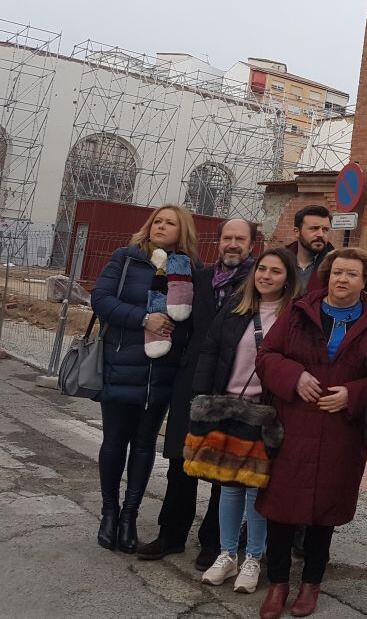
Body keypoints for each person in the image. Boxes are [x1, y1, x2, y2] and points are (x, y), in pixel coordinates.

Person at [255, 247, 367, 619]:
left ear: (365, 282)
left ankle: (311, 583)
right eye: (336, 273)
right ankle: (278, 583)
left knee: (324, 511)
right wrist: (294, 377)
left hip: (341, 430)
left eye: (351, 274)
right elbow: (267, 356)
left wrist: (353, 394)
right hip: (293, 423)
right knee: (281, 507)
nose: (342, 280)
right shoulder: (299, 312)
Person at [140, 218, 257, 569]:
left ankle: (214, 541)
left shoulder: (258, 284)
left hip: (235, 383)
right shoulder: (199, 278)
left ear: (252, 245)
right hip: (190, 379)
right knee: (180, 459)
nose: (232, 244)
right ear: (218, 242)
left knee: (224, 465)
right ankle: (171, 534)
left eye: (240, 239)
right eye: (227, 238)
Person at [90, 204, 202, 554]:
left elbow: (192, 319)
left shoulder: (189, 269)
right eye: (158, 221)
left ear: (181, 231)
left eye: (170, 223)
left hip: (163, 372)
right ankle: (109, 513)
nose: (162, 226)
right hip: (122, 363)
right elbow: (100, 300)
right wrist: (143, 319)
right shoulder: (127, 258)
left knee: (143, 445)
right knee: (114, 442)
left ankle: (129, 517)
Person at [191, 248, 302, 595]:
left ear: (288, 279)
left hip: (265, 411)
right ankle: (227, 554)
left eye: (275, 271)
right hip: (228, 406)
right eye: (262, 269)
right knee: (227, 485)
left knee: (256, 488)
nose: (266, 276)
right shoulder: (237, 307)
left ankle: (254, 556)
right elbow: (210, 350)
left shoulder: (294, 316)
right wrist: (202, 400)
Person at [287, 205, 334, 293]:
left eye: (325, 229)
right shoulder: (281, 260)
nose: (320, 234)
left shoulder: (336, 264)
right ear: (297, 232)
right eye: (314, 228)